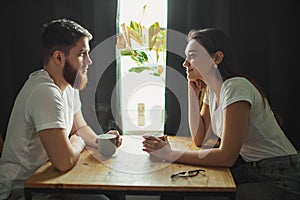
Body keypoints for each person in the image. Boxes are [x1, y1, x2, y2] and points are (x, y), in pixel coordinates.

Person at [142, 28, 300, 200]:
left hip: (284, 173)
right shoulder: (212, 92)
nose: (185, 63)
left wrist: (170, 154)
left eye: (192, 55)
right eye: (186, 56)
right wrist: (192, 92)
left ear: (216, 58)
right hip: (255, 170)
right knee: (191, 191)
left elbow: (226, 157)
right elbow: (199, 139)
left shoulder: (235, 87)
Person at [0, 18, 122, 200]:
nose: (89, 61)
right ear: (59, 58)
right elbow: (64, 162)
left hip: (50, 183)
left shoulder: (68, 85)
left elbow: (79, 128)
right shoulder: (44, 92)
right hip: (21, 192)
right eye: (82, 54)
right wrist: (78, 141)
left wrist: (100, 141)